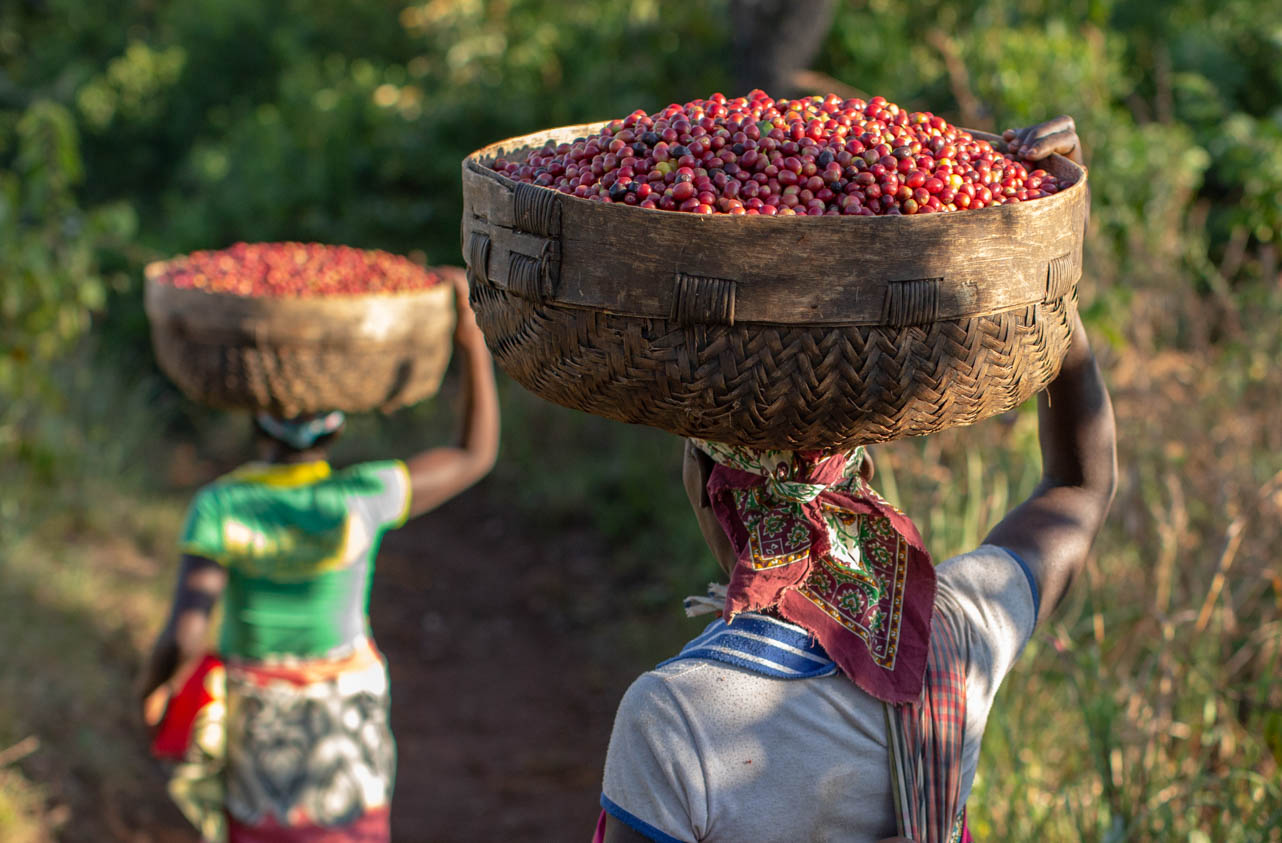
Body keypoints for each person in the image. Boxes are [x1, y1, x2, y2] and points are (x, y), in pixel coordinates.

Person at [595, 117, 1115, 843]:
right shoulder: (952, 634)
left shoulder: (673, 713)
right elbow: (1079, 486)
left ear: (710, 487)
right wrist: (1049, 271)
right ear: (857, 477)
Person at [139, 271, 499, 843]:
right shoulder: (363, 496)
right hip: (344, 713)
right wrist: (472, 339)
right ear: (336, 428)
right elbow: (472, 453)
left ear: (257, 418)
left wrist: (154, 688)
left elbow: (185, 634)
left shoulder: (222, 505)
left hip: (261, 713)